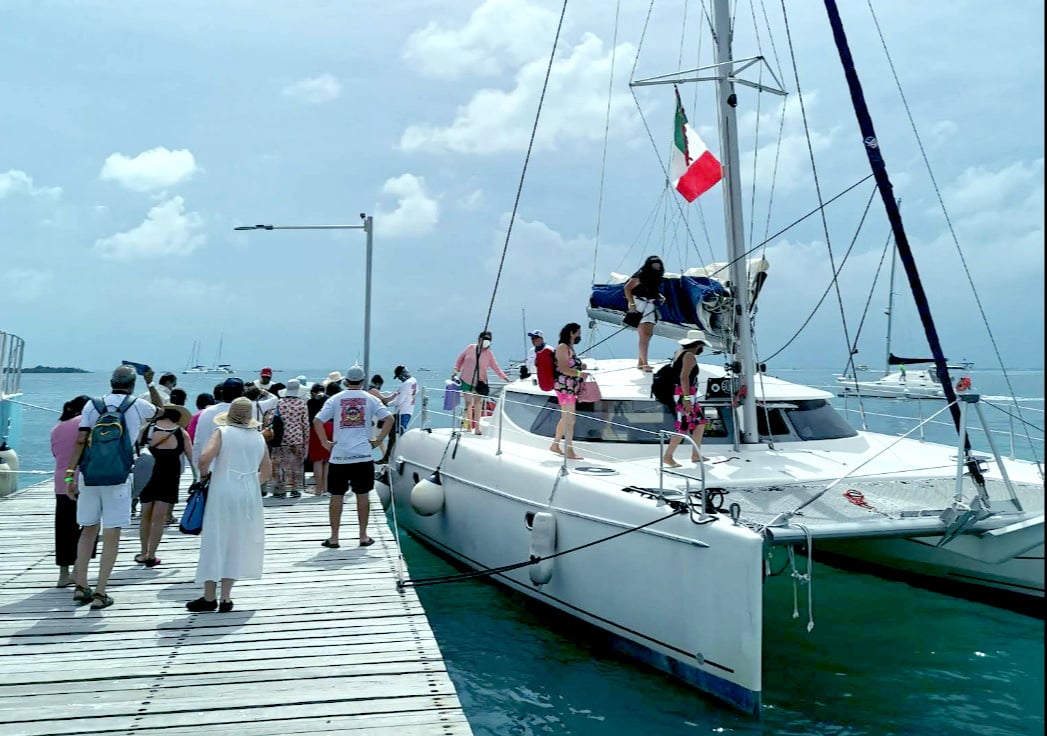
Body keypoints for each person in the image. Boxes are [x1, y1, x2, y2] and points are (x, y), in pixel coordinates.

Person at [64, 365, 164, 609]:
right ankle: (100, 592)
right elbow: (162, 411)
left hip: (90, 476)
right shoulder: (136, 405)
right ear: (132, 384)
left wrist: (69, 476)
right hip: (119, 476)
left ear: (111, 382)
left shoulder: (92, 405)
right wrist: (150, 384)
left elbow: (80, 441)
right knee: (111, 533)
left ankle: (80, 586)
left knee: (87, 529)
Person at [188, 397, 271, 613]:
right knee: (237, 541)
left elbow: (204, 459)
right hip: (248, 494)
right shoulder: (258, 438)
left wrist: (204, 477)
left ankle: (208, 597)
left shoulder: (222, 433)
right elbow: (267, 471)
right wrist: (250, 483)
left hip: (223, 490)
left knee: (215, 539)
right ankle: (226, 597)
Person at [313, 365, 394, 548]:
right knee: (362, 495)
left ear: (346, 381)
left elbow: (318, 420)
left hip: (339, 456)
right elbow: (389, 418)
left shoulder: (335, 399)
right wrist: (378, 439)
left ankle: (334, 538)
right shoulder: (371, 399)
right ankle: (363, 536)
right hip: (363, 455)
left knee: (336, 495)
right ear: (363, 381)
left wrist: (325, 442)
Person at [135, 404, 194, 566]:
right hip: (169, 477)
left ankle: (142, 552)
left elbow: (135, 450)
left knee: (145, 514)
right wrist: (198, 478)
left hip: (147, 475)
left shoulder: (146, 429)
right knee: (159, 517)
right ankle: (152, 555)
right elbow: (192, 457)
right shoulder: (181, 433)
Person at [50, 395, 91, 588]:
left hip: (61, 481)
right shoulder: (87, 424)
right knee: (88, 525)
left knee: (64, 527)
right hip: (84, 479)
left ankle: (63, 574)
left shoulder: (57, 427)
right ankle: (78, 570)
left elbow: (55, 454)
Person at [662, 330, 709, 467]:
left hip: (687, 394)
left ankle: (695, 454)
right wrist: (687, 399)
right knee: (682, 426)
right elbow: (684, 377)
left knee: (700, 423)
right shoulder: (689, 356)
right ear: (698, 345)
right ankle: (668, 456)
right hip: (684, 395)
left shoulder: (680, 352)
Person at [453, 331, 509, 435]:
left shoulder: (489, 354)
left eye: (488, 340)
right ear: (479, 339)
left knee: (478, 404)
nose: (486, 342)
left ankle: (477, 428)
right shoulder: (470, 348)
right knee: (468, 403)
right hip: (466, 379)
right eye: (485, 339)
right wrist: (456, 370)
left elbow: (496, 368)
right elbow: (460, 359)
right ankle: (469, 426)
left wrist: (506, 378)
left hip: (479, 383)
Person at [551, 323, 588, 460]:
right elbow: (563, 368)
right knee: (570, 419)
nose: (580, 336)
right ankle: (569, 450)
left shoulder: (569, 348)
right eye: (578, 332)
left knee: (566, 418)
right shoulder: (562, 347)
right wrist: (579, 373)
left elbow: (569, 366)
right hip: (564, 388)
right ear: (572, 333)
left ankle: (555, 445)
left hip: (570, 388)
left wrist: (580, 366)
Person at [623, 255, 667, 372]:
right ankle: (644, 364)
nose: (656, 266)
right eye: (654, 264)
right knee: (645, 335)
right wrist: (632, 305)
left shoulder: (656, 276)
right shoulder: (641, 275)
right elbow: (627, 288)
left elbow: (652, 290)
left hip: (649, 304)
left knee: (647, 335)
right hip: (639, 303)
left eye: (658, 264)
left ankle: (641, 361)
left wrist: (660, 297)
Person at [270, 379, 309, 498]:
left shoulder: (280, 402)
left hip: (282, 436)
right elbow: (305, 424)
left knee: (280, 464)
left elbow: (272, 419)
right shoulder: (302, 403)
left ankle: (280, 489)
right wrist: (306, 442)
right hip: (297, 437)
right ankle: (295, 489)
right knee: (296, 464)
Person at [193, 377, 244, 466]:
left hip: (208, 468)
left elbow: (198, 443)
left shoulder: (205, 413)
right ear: (242, 395)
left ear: (221, 393)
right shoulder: (244, 415)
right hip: (235, 470)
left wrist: (198, 471)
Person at [307, 383, 330, 495]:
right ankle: (325, 488)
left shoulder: (310, 402)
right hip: (329, 427)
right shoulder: (329, 399)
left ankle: (318, 489)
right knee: (326, 459)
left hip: (315, 428)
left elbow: (309, 419)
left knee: (317, 460)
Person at [387, 366, 419, 435]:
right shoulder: (414, 381)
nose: (399, 379)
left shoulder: (405, 384)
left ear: (402, 374)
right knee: (400, 431)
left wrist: (387, 404)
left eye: (398, 376)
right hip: (409, 411)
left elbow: (398, 402)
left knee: (397, 433)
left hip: (402, 413)